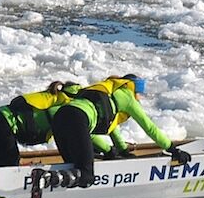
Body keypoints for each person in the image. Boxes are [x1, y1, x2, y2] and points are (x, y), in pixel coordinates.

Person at [46, 74, 189, 188]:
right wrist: (173, 149)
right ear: (134, 90)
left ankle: (47, 180)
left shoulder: (108, 92)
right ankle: (46, 178)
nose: (140, 98)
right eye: (140, 94)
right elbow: (149, 127)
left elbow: (103, 131)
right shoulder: (128, 97)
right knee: (86, 176)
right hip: (78, 118)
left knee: (73, 167)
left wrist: (117, 150)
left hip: (60, 118)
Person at [0, 80, 81, 169]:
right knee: (8, 163)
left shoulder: (54, 98)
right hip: (0, 124)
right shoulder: (67, 107)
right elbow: (77, 136)